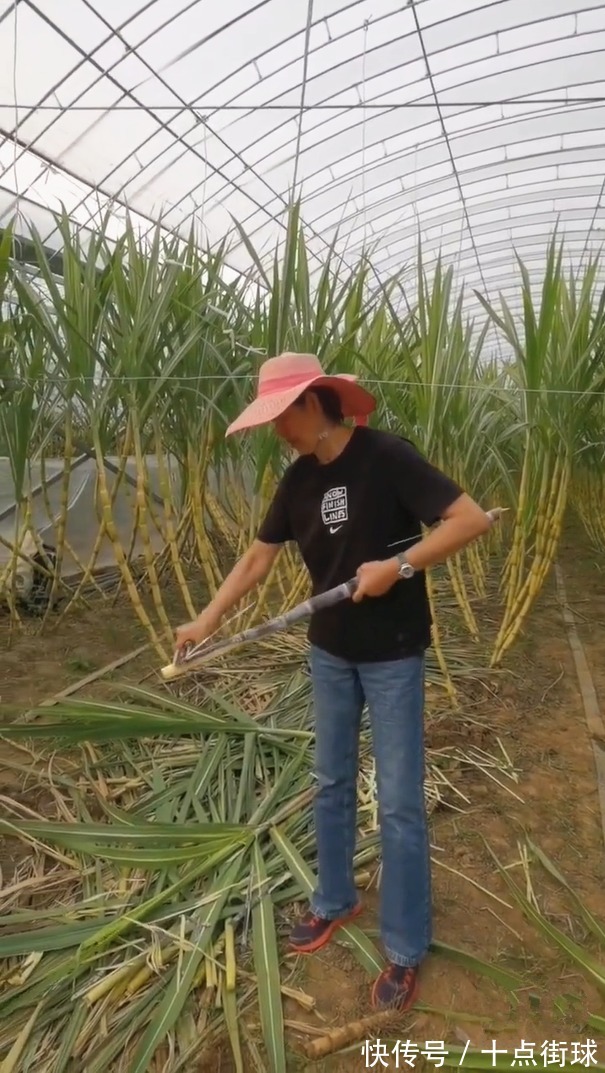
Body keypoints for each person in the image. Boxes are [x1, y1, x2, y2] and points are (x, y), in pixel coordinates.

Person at [175, 352, 492, 1012]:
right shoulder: (296, 482)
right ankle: (334, 900)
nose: (275, 430)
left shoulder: (386, 457)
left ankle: (404, 948)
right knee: (330, 781)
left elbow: (470, 519)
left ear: (311, 405)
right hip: (331, 654)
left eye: (279, 416)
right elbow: (258, 557)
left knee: (400, 802)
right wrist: (206, 619)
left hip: (393, 655)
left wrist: (397, 565)